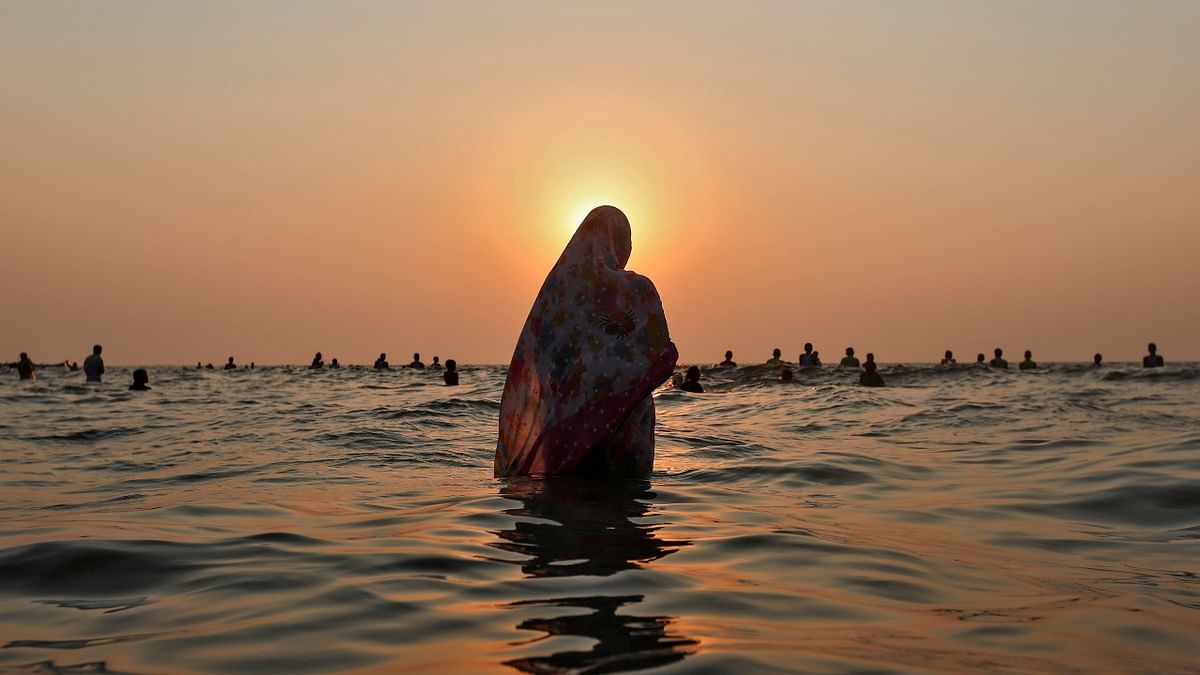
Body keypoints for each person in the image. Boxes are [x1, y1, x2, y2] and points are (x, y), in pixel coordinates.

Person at [495, 205, 678, 477]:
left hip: (561, 425)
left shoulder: (556, 290)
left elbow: (536, 359)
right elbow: (655, 349)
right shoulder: (636, 288)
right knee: (621, 505)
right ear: (619, 241)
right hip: (623, 418)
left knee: (563, 503)